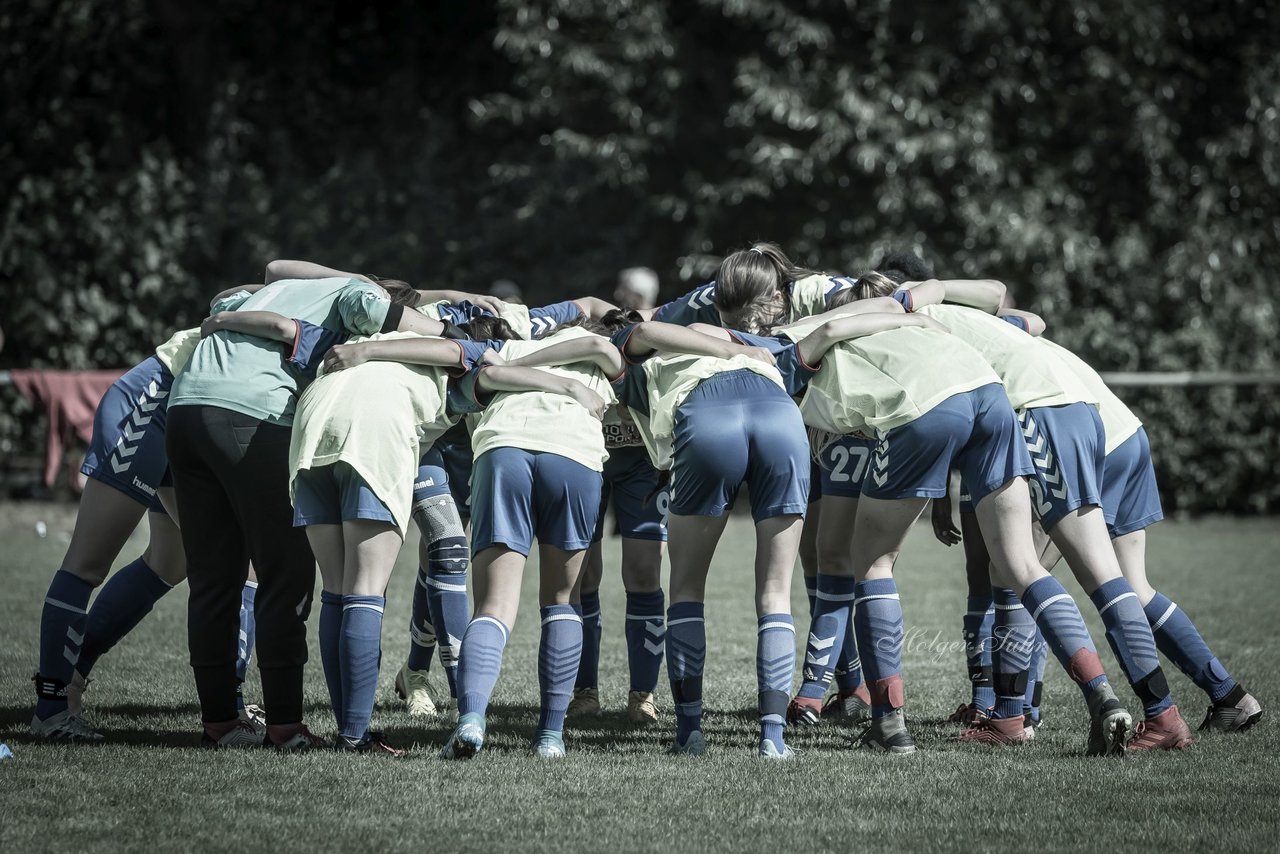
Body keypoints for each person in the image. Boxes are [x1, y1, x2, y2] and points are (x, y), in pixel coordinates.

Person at [738, 272, 1134, 755]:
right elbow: (1012, 317)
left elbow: (792, 340)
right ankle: (1103, 694)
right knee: (1019, 564)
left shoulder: (787, 343)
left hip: (924, 407)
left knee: (872, 563)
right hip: (990, 397)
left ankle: (888, 723)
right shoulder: (903, 319)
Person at [846, 266, 1196, 750]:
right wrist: (938, 289)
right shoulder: (956, 312)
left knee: (1026, 571)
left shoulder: (904, 328)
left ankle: (1026, 717)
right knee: (1095, 576)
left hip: (1037, 413)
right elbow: (1025, 316)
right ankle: (1159, 714)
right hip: (1080, 408)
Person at [166, 260, 457, 749]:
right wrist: (444, 327)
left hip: (185, 410)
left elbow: (226, 299)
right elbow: (413, 324)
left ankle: (219, 721)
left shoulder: (271, 294)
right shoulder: (352, 292)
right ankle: (285, 727)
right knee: (287, 576)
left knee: (213, 577)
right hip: (252, 415)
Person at [29, 297, 263, 741]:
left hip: (189, 417)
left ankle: (75, 672)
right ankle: (51, 710)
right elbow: (264, 277)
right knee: (87, 564)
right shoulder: (323, 304)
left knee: (175, 561)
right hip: (151, 404)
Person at [439, 325, 619, 759]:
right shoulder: (601, 351)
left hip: (504, 451)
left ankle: (471, 720)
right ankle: (550, 737)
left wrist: (511, 366)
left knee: (493, 605)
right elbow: (601, 347)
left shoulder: (504, 348)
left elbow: (479, 380)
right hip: (572, 455)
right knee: (561, 600)